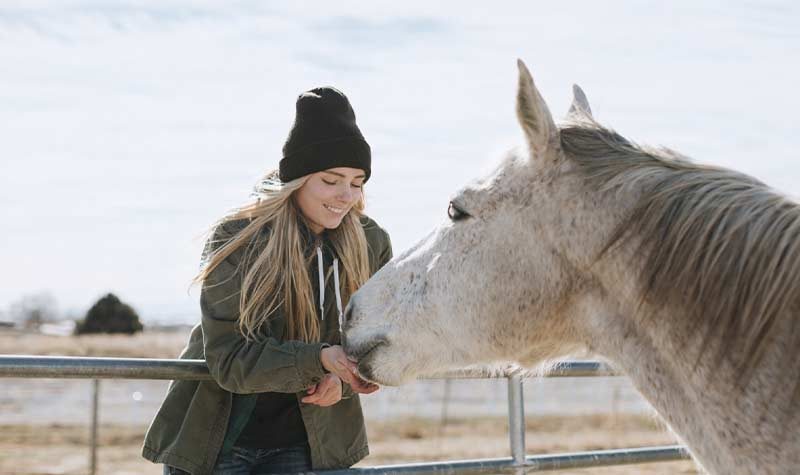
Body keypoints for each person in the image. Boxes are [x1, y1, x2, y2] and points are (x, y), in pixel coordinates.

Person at [142, 86, 393, 475]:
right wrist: (319, 359)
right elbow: (228, 358)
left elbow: (376, 334)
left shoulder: (370, 242)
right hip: (218, 441)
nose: (346, 195)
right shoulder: (238, 238)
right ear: (298, 179)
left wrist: (343, 378)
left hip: (310, 443)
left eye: (357, 182)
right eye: (330, 180)